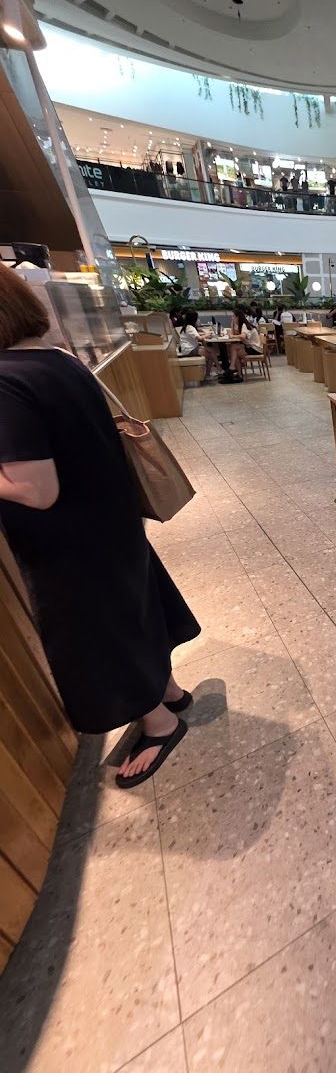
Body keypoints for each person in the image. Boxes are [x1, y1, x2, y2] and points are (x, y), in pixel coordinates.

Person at [0, 265, 200, 787]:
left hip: (71, 544)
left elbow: (36, 491)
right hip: (112, 518)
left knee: (101, 630)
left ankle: (159, 722)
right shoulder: (58, 360)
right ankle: (170, 691)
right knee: (131, 608)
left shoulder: (5, 381)